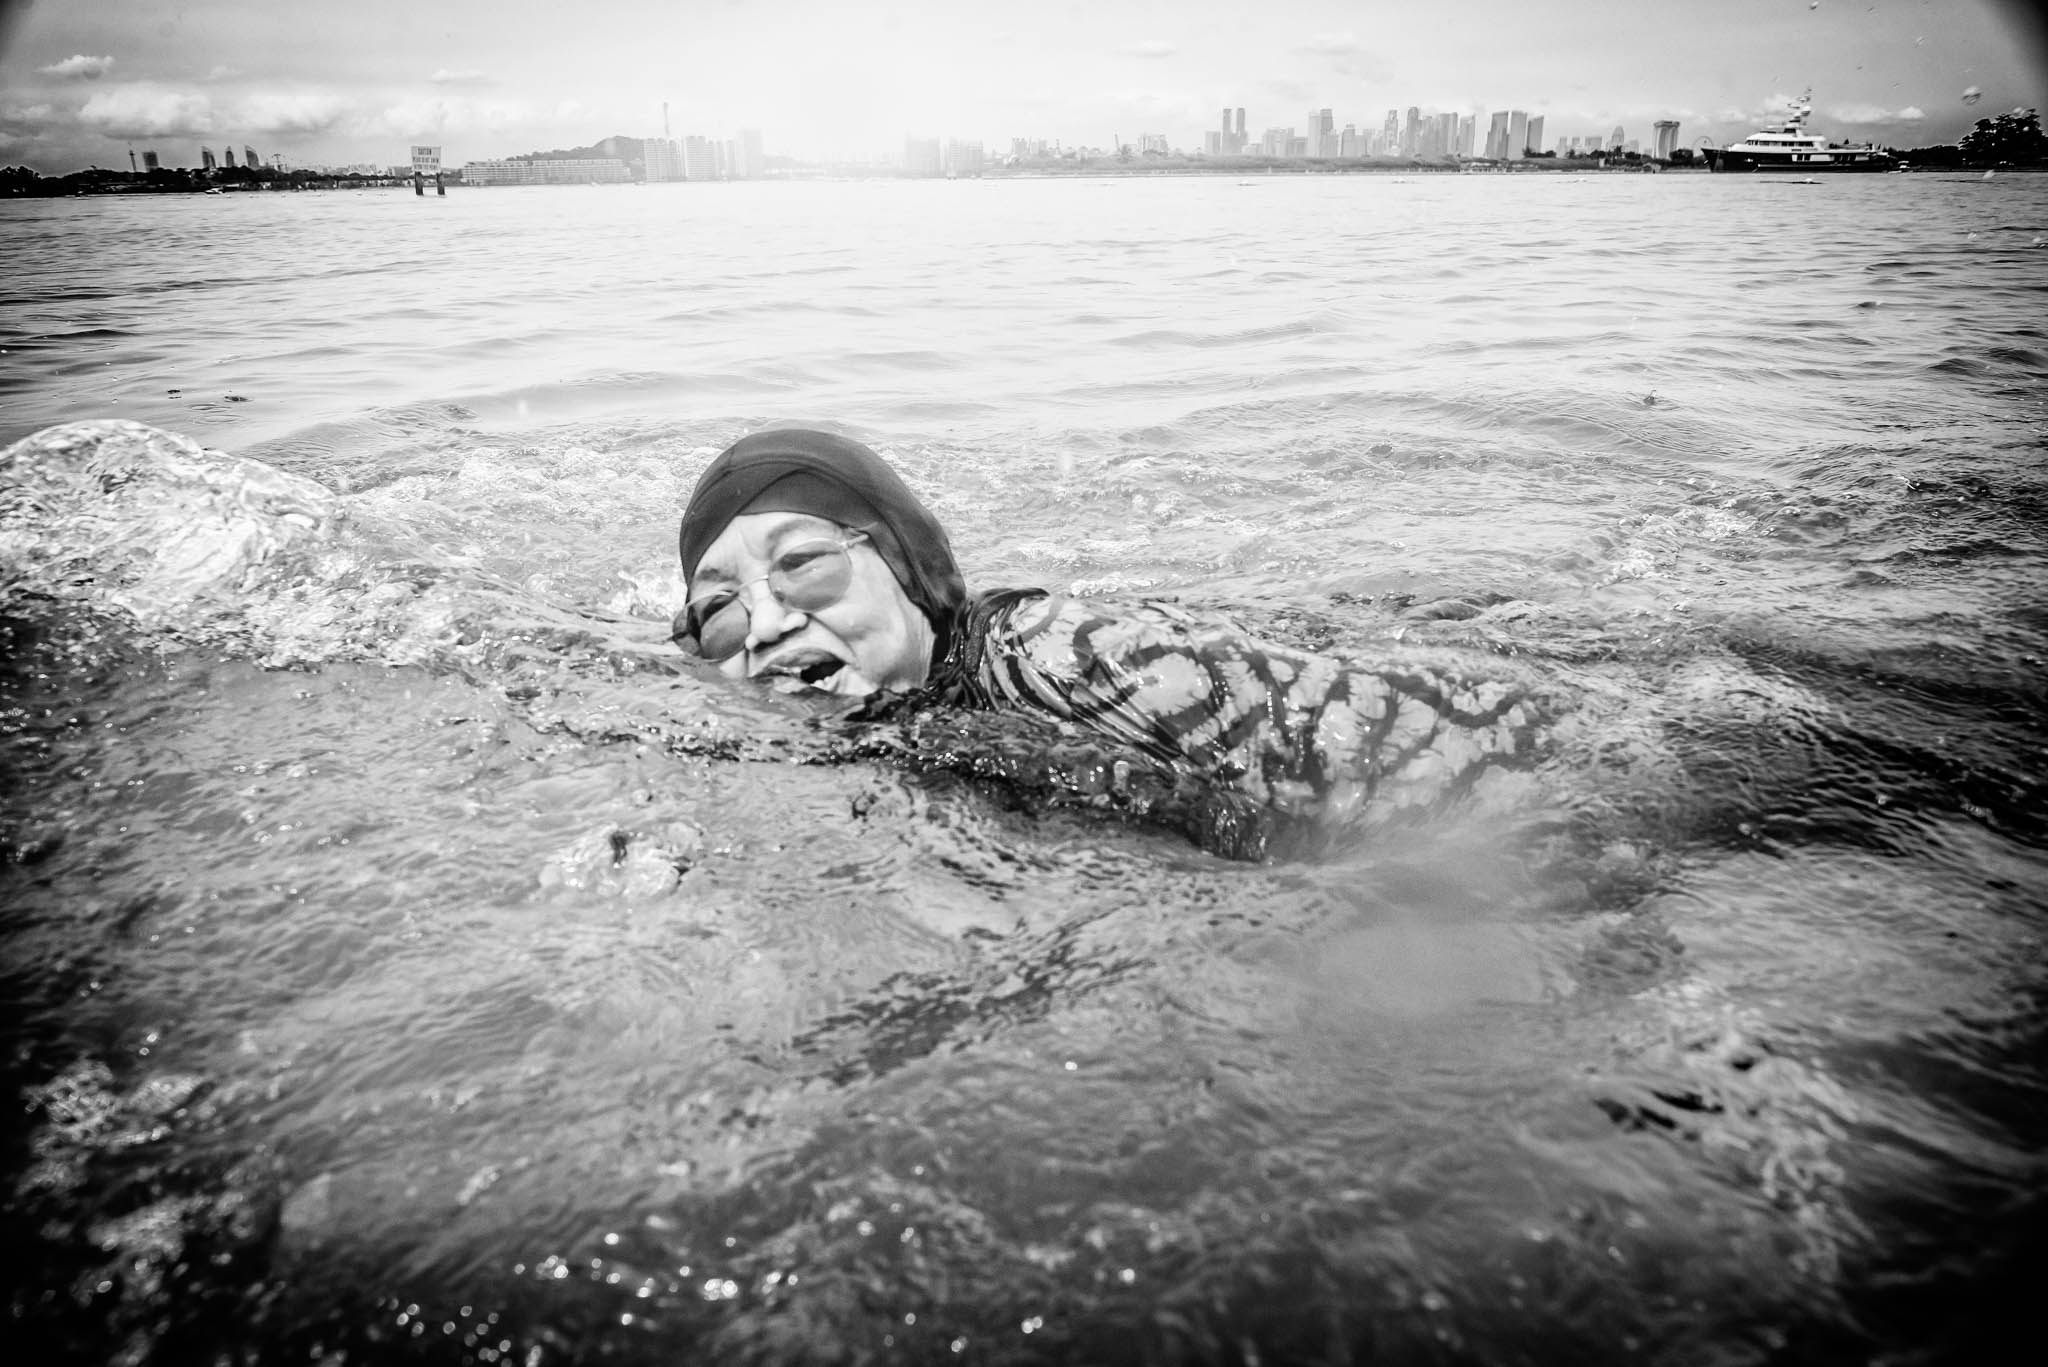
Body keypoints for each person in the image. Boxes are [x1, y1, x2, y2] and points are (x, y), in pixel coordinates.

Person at [676, 428, 1540, 854]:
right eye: (720, 605)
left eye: (803, 565)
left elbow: (1458, 748)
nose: (766, 621)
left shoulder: (1055, 651)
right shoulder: (849, 708)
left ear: (907, 566)